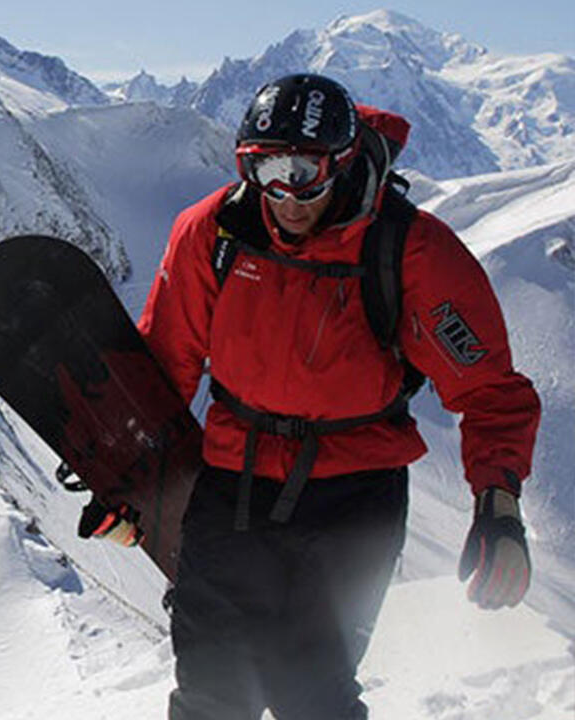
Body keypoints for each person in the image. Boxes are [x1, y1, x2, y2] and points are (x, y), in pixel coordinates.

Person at [131, 73, 542, 719]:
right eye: (267, 170)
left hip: (354, 501)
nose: (288, 196)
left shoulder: (409, 251)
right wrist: (125, 479)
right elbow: (164, 365)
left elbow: (490, 392)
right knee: (211, 690)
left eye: (307, 173)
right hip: (231, 486)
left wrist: (498, 506)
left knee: (313, 696)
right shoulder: (213, 233)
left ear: (343, 162)